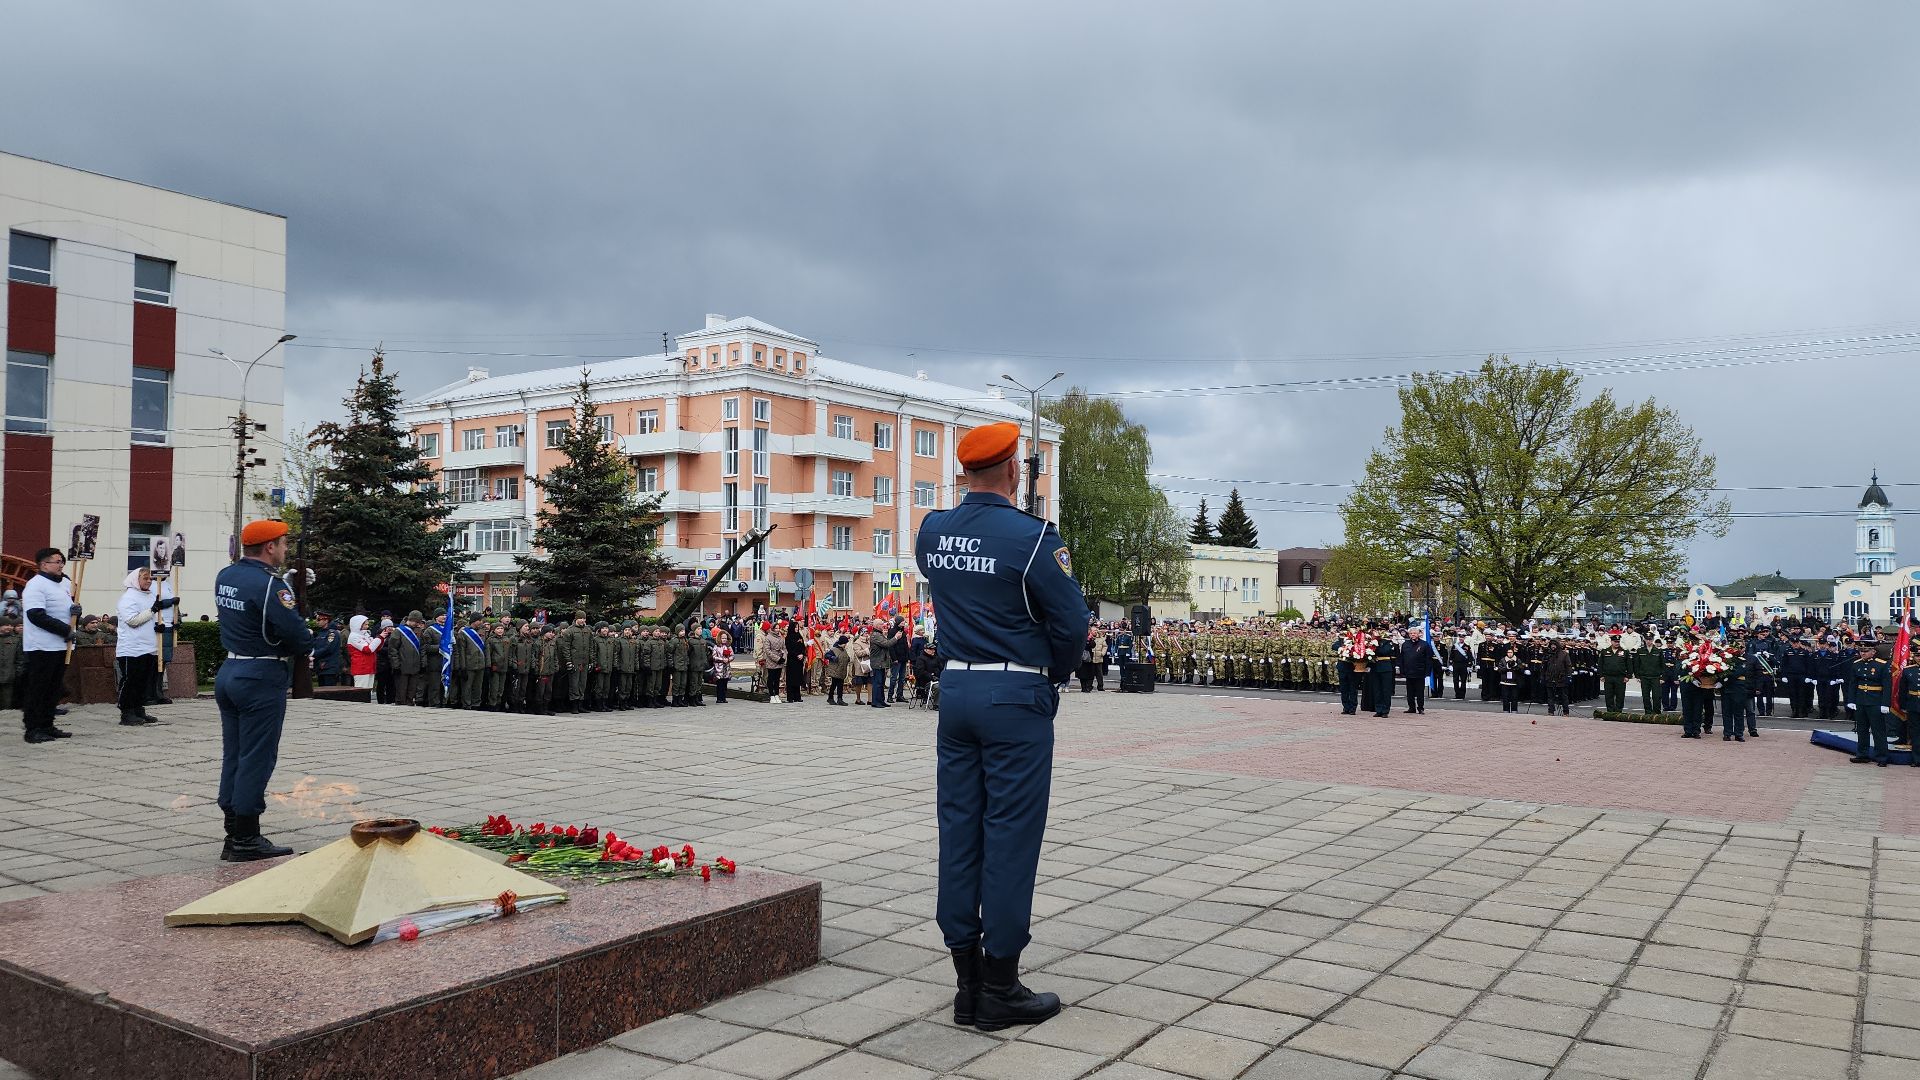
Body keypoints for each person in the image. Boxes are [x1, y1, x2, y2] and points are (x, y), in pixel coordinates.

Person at [917, 420, 1081, 1033]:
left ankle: (965, 983)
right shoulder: (1032, 538)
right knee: (1010, 834)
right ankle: (1001, 986)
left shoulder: (932, 532)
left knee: (959, 829)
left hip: (955, 690)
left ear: (964, 473)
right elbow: (1070, 621)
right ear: (1014, 470)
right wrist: (1052, 677)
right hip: (1015, 694)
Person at [212, 519, 312, 861]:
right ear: (270, 547)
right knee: (257, 756)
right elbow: (298, 636)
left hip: (230, 670)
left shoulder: (226, 575)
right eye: (283, 544)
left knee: (235, 753)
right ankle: (245, 838)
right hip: (260, 673)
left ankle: (233, 828)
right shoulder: (270, 586)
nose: (285, 550)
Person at [19, 547, 78, 743]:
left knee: (53, 688)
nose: (61, 565)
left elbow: (67, 608)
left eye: (62, 561)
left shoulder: (64, 584)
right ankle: (33, 728)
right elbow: (36, 615)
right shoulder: (36, 585)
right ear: (44, 564)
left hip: (60, 645)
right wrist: (64, 629)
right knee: (38, 688)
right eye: (57, 562)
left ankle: (47, 724)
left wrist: (76, 610)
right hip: (41, 646)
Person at [114, 566, 174, 726]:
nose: (149, 581)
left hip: (149, 646)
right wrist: (152, 610)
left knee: (143, 681)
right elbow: (133, 621)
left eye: (150, 579)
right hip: (132, 648)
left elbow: (152, 617)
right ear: (136, 580)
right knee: (131, 681)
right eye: (145, 578)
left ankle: (139, 709)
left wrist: (158, 626)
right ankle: (126, 712)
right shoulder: (128, 598)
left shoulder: (149, 596)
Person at [1846, 639, 1892, 766]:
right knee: (1861, 729)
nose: (1863, 653)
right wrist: (1851, 700)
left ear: (1873, 651)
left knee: (1878, 731)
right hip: (1861, 700)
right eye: (1861, 651)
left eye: (1866, 651)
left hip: (1875, 701)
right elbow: (1853, 683)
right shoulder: (1856, 664)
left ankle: (1882, 757)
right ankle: (1862, 754)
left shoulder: (1882, 665)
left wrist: (1885, 703)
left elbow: (1887, 686)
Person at [1399, 626, 1434, 715]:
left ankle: (1420, 708)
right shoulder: (1405, 644)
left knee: (1419, 692)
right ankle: (1411, 707)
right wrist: (1402, 670)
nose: (1412, 635)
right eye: (1411, 633)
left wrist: (1427, 671)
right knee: (1409, 692)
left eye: (1414, 633)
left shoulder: (1424, 644)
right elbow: (1402, 658)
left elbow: (1428, 659)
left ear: (1418, 634)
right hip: (1408, 672)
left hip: (1420, 672)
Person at [310, 611, 344, 687]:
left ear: (326, 620)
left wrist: (313, 653)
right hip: (320, 667)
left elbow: (328, 648)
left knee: (329, 692)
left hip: (329, 668)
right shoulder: (320, 633)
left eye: (319, 619)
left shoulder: (332, 633)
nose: (316, 621)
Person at [346, 616, 379, 689]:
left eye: (367, 624)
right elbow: (368, 649)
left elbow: (376, 647)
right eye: (365, 624)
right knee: (361, 693)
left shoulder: (365, 634)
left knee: (368, 692)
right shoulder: (354, 636)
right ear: (358, 624)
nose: (367, 626)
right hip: (361, 668)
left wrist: (382, 638)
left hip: (369, 667)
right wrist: (380, 637)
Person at [711, 630, 734, 704]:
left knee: (725, 684)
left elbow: (732, 656)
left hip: (726, 668)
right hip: (719, 668)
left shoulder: (728, 647)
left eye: (725, 638)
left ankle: (724, 697)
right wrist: (722, 659)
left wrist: (728, 659)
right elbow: (714, 657)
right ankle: (719, 698)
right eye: (723, 638)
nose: (724, 639)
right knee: (719, 684)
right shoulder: (716, 647)